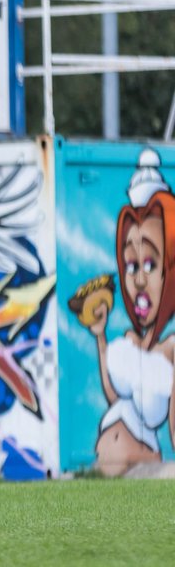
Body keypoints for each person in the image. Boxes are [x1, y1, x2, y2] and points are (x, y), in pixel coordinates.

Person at [89, 149, 175, 476]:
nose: (138, 279)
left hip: (144, 468)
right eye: (131, 265)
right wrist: (100, 338)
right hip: (111, 470)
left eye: (151, 264)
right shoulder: (128, 340)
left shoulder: (171, 350)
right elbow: (114, 397)